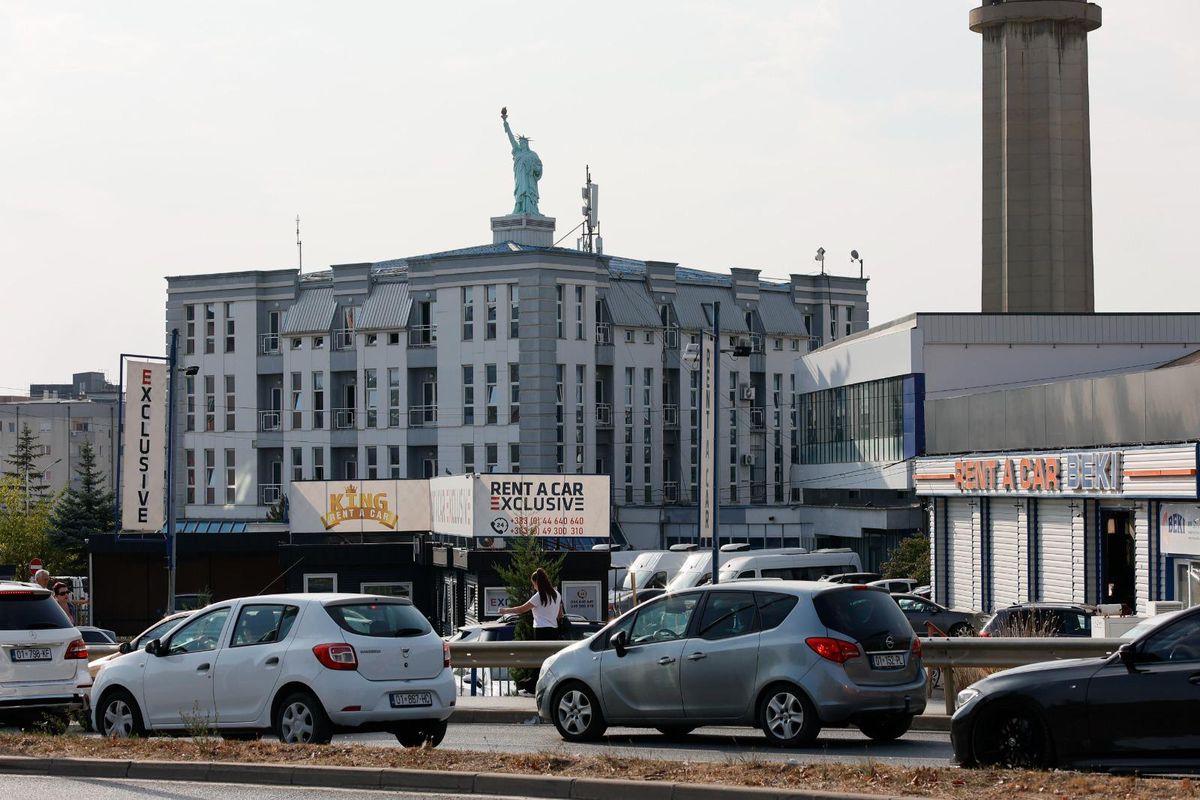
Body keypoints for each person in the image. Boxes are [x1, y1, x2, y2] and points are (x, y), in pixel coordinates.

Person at [499, 568, 563, 641]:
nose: (534, 587)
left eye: (533, 584)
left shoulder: (539, 596)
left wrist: (505, 610)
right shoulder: (557, 594)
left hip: (540, 630)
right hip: (554, 630)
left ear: (537, 582)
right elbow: (560, 614)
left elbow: (522, 609)